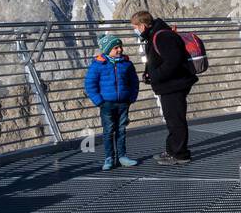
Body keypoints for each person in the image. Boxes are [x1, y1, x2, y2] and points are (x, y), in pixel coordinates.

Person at [130, 11, 198, 164]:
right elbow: (157, 59)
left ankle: (180, 154)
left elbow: (173, 61)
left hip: (174, 84)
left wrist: (156, 76)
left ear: (142, 25)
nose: (135, 30)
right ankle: (172, 150)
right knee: (172, 118)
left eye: (135, 27)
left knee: (175, 119)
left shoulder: (162, 36)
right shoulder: (155, 34)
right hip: (169, 84)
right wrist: (149, 74)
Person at [83, 33, 140, 171]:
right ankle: (109, 158)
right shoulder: (98, 65)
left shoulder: (126, 63)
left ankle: (122, 156)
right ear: (107, 49)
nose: (119, 49)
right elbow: (90, 84)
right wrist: (99, 101)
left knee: (121, 130)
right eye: (115, 47)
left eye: (120, 46)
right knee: (108, 131)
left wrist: (131, 97)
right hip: (106, 104)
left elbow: (134, 82)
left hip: (123, 102)